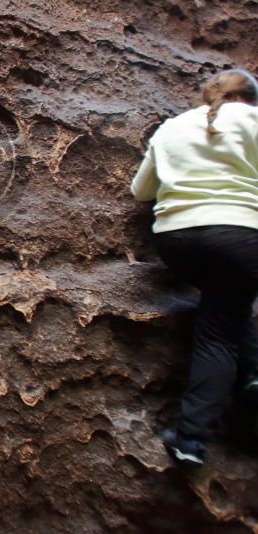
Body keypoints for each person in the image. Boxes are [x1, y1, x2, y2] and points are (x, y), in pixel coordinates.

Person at [131, 69, 258, 466]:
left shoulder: (172, 126)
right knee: (218, 333)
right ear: (249, 98)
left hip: (178, 240)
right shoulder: (254, 121)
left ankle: (253, 373)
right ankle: (191, 439)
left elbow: (141, 190)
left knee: (224, 307)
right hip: (242, 236)